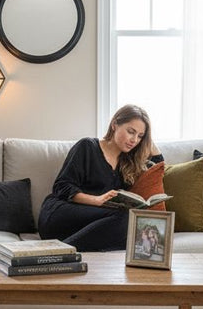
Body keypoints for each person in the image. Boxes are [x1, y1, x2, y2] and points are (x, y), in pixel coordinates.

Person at [38, 105, 163, 252]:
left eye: (140, 136)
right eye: (131, 132)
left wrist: (147, 140)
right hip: (60, 214)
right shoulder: (87, 146)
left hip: (95, 222)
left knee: (134, 227)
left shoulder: (128, 162)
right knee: (126, 220)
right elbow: (62, 187)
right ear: (114, 124)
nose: (134, 140)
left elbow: (158, 164)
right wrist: (97, 200)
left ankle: (65, 250)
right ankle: (58, 254)